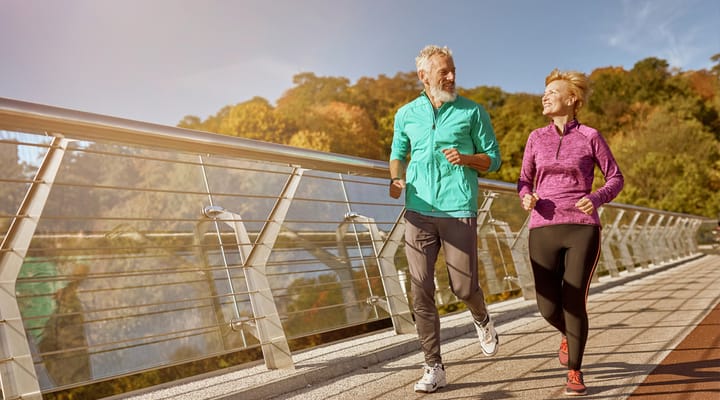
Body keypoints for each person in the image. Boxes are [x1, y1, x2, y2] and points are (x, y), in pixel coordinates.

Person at [389, 44, 501, 393]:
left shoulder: (472, 112)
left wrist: (467, 159)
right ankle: (433, 366)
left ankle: (481, 318)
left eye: (453, 70)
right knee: (420, 288)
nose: (451, 77)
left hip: (458, 207)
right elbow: (397, 153)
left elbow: (494, 159)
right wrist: (396, 177)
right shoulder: (406, 113)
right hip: (419, 212)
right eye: (443, 72)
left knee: (463, 287)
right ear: (424, 76)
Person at [517, 69, 624, 396]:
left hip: (581, 229)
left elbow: (615, 178)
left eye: (552, 91)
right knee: (548, 306)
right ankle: (569, 333)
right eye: (544, 92)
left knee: (574, 302)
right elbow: (523, 179)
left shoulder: (590, 136)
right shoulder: (536, 137)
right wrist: (526, 196)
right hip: (542, 227)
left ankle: (575, 371)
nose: (544, 96)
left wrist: (595, 198)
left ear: (572, 99)